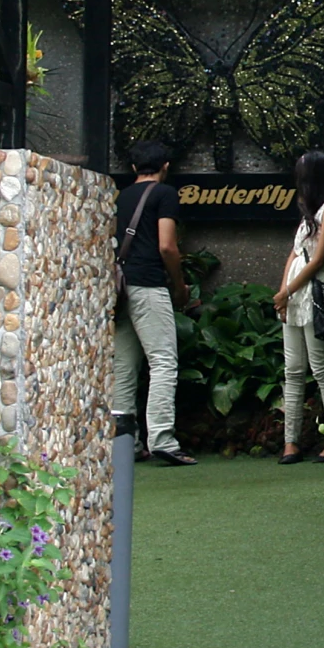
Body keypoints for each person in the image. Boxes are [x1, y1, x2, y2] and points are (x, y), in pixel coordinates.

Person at [112, 140, 197, 467]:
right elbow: (167, 246)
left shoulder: (121, 196)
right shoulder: (164, 194)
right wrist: (178, 285)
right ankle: (162, 438)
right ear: (165, 166)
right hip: (148, 283)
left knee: (124, 365)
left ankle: (125, 440)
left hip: (121, 288)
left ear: (134, 168)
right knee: (163, 361)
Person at [272, 149, 324, 465]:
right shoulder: (308, 212)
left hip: (316, 290)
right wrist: (283, 293)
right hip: (295, 294)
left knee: (321, 368)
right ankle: (291, 442)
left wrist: (287, 290)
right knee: (292, 369)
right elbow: (295, 253)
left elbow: (318, 259)